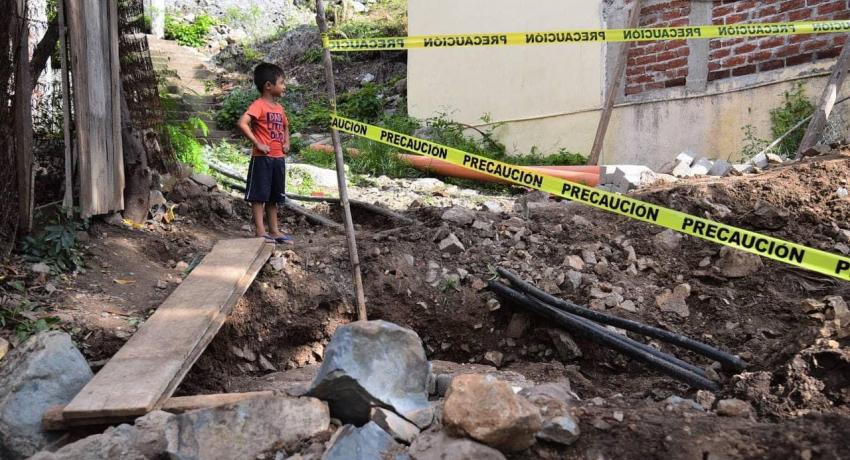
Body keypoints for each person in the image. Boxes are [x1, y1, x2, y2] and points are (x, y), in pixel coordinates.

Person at [237, 62, 293, 244]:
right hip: (262, 159)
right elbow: (242, 123)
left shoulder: (279, 108)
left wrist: (287, 142)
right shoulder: (259, 105)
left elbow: (286, 126)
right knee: (259, 195)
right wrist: (257, 143)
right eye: (282, 83)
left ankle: (274, 231)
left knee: (274, 196)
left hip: (278, 159)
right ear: (268, 85)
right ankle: (260, 231)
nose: (284, 86)